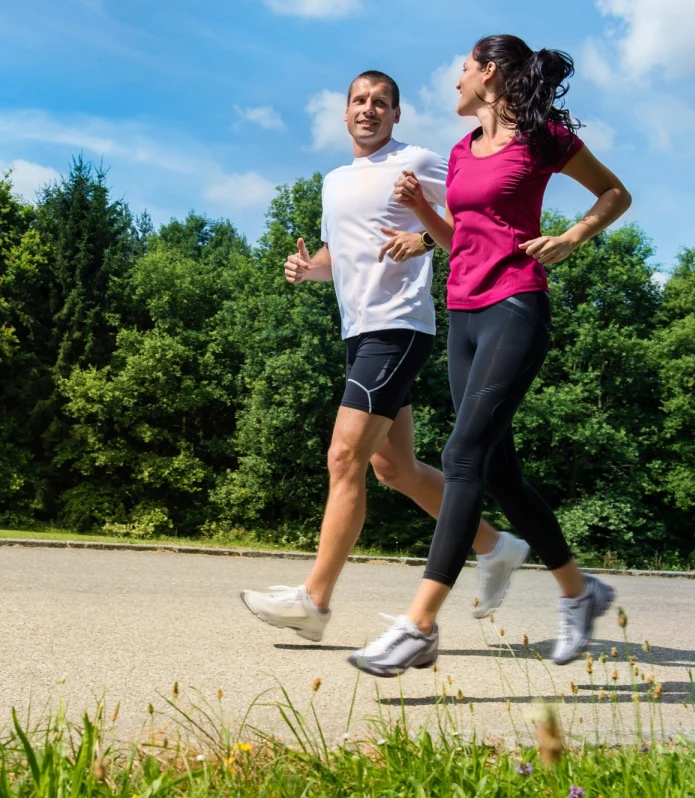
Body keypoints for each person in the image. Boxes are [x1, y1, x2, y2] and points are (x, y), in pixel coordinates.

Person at [346, 36, 632, 677]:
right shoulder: (460, 151)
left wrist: (574, 235)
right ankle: (581, 591)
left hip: (516, 305)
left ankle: (419, 624)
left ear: (490, 73)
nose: (456, 81)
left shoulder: (544, 138)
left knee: (461, 455)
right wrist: (424, 218)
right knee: (497, 471)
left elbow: (614, 193)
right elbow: (461, 239)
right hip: (465, 314)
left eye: (464, 69)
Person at [240, 70, 530, 644]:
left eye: (381, 103)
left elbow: (480, 206)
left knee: (343, 456)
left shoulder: (419, 161)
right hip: (360, 332)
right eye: (359, 101)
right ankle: (496, 545)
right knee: (392, 467)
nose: (368, 110)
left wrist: (424, 236)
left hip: (397, 328)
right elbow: (340, 253)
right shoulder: (335, 180)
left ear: (397, 114)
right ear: (344, 112)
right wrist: (309, 268)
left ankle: (314, 602)